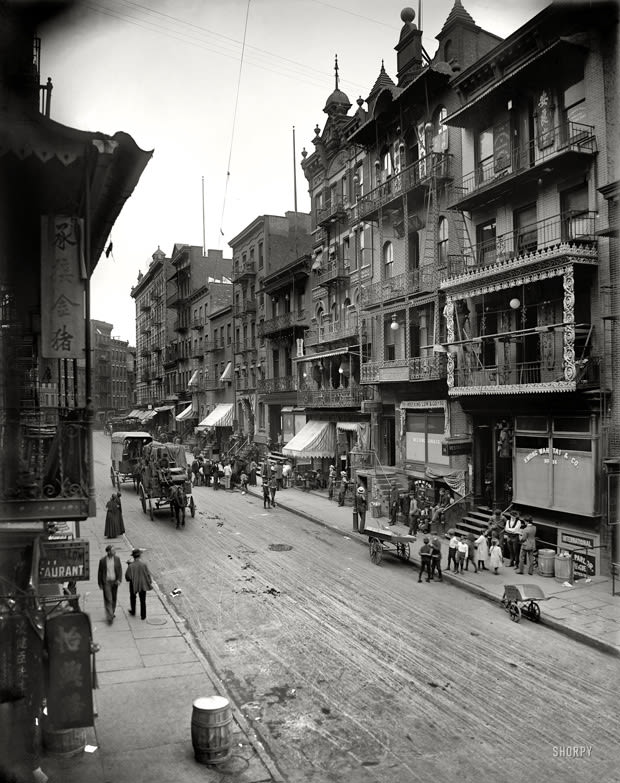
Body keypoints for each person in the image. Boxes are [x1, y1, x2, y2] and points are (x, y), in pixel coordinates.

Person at [125, 549, 153, 621]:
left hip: (133, 584)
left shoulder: (131, 566)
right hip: (142, 584)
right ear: (139, 556)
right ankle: (143, 615)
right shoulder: (143, 564)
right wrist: (149, 581)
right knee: (143, 600)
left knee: (133, 597)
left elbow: (128, 577)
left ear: (133, 557)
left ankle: (133, 611)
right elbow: (148, 574)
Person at [97, 544, 122, 624]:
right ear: (108, 552)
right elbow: (100, 572)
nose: (115, 551)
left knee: (114, 598)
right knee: (108, 599)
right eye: (113, 550)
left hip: (115, 582)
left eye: (114, 550)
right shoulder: (102, 561)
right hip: (106, 582)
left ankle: (112, 612)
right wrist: (100, 583)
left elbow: (120, 570)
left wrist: (119, 579)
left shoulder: (117, 559)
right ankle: (109, 616)